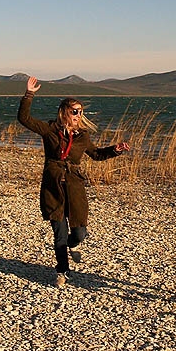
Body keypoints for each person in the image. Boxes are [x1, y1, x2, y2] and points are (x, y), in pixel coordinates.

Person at [18, 76, 130, 287]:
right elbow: (24, 118)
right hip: (53, 187)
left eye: (80, 111)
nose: (79, 115)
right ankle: (62, 271)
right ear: (64, 112)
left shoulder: (83, 137)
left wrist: (115, 150)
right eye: (74, 111)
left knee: (79, 232)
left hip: (75, 187)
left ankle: (73, 244)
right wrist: (29, 94)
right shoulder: (50, 130)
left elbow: (96, 154)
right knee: (59, 233)